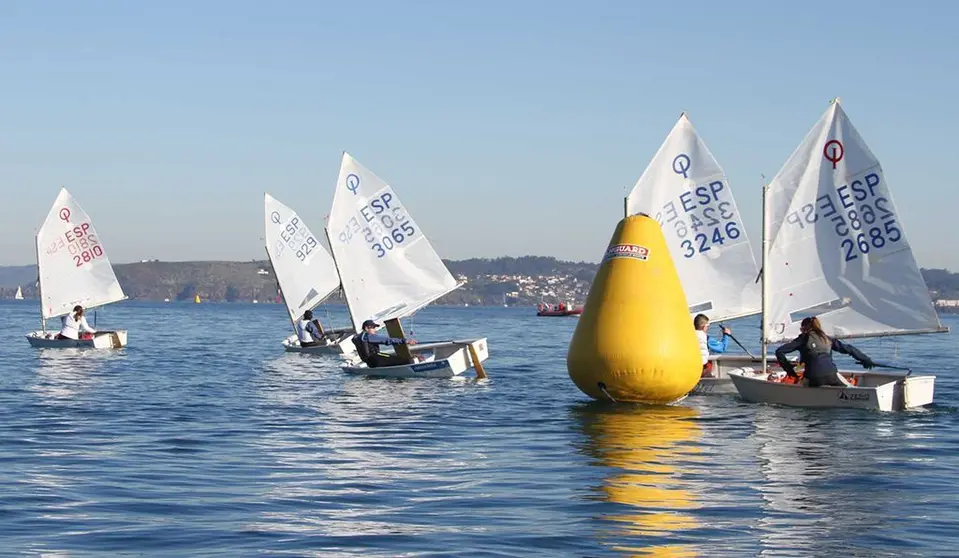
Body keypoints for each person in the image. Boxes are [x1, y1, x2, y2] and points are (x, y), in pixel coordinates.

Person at [775, 316, 876, 387]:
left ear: (804, 328)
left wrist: (790, 372)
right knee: (848, 387)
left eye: (801, 329)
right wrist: (865, 359)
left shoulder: (803, 339)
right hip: (831, 375)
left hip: (813, 378)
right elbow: (849, 349)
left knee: (800, 384)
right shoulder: (827, 339)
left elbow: (779, 351)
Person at [352, 319, 418, 368]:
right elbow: (387, 340)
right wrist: (405, 341)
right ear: (366, 328)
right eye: (373, 328)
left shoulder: (358, 337)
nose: (375, 330)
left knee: (393, 358)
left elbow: (354, 340)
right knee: (407, 361)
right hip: (377, 359)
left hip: (370, 363)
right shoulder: (369, 336)